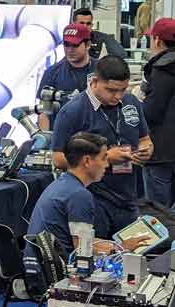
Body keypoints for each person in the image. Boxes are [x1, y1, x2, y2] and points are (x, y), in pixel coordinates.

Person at [52, 56, 153, 239]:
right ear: (95, 81)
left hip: (129, 198)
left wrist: (146, 149)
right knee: (94, 256)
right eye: (111, 90)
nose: (117, 97)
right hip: (93, 200)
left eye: (123, 90)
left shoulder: (131, 103)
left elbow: (144, 138)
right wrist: (106, 157)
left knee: (129, 256)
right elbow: (58, 159)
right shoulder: (73, 111)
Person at [27, 132, 108, 256]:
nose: (107, 164)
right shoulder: (79, 195)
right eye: (103, 158)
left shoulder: (61, 184)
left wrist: (116, 245)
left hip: (40, 265)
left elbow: (82, 241)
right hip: (58, 271)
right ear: (86, 161)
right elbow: (82, 250)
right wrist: (121, 250)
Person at [140, 18, 175, 206]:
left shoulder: (161, 69)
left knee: (159, 215)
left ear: (157, 40)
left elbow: (151, 112)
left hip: (161, 153)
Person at [37, 23, 97, 130]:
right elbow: (44, 113)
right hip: (61, 137)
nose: (69, 50)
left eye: (75, 45)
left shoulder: (101, 70)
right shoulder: (52, 73)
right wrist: (45, 139)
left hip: (94, 136)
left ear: (87, 44)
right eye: (66, 44)